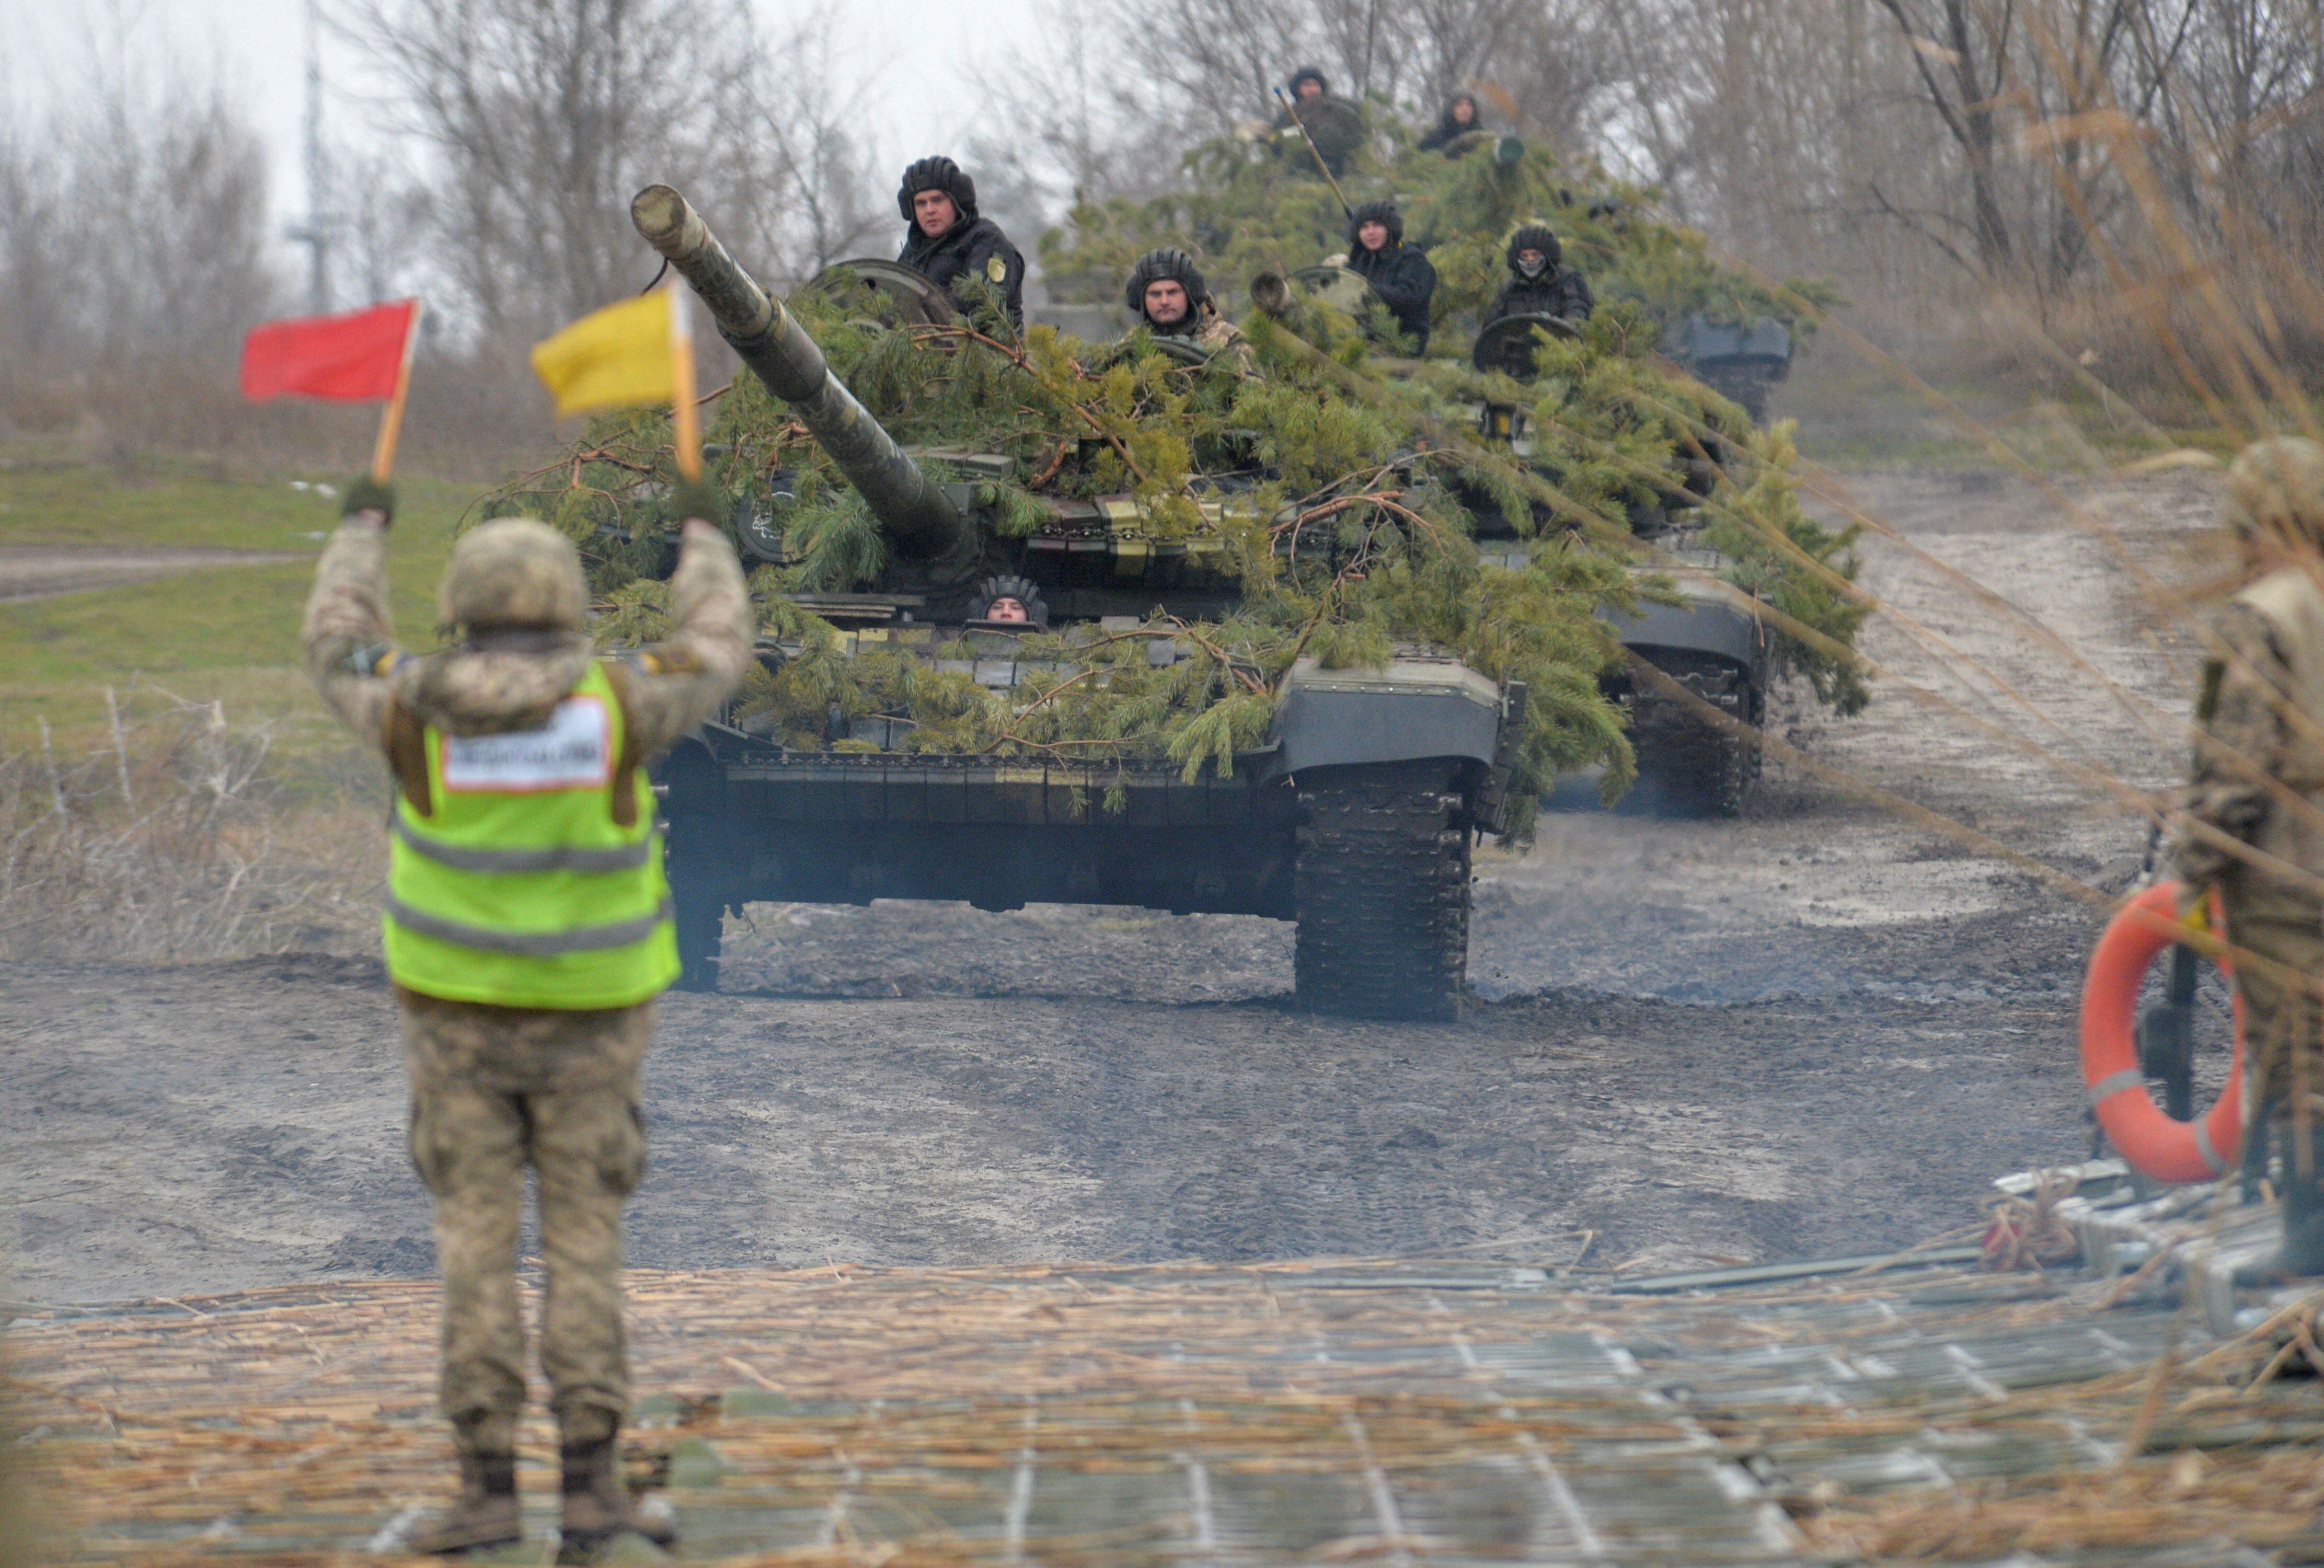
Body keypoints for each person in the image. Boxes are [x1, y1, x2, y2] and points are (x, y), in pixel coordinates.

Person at [301, 477, 752, 1557]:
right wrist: (701, 540)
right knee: (587, 1245)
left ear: (460, 602)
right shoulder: (619, 704)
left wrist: (362, 531)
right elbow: (720, 644)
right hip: (592, 1027)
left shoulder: (409, 705)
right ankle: (594, 1491)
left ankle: (487, 1489)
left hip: (456, 1030)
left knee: (474, 1250)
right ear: (567, 600)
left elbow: (334, 639)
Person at [2173, 436, 2324, 1277]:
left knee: (2299, 1055)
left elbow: (2234, 777)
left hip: (2288, 875)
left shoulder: (2258, 616)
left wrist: (2187, 872)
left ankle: (2309, 1243)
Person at [895, 155, 1025, 327]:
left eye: (937, 200)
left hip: (984, 350)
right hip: (924, 349)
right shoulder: (915, 251)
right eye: (921, 203)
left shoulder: (986, 242)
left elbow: (981, 305)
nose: (930, 210)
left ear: (957, 202)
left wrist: (921, 308)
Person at [1343, 199, 1436, 353]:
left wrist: (1367, 290)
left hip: (1401, 348)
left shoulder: (1413, 259)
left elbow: (1409, 297)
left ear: (1390, 228)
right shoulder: (1359, 260)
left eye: (1377, 225)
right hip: (1361, 345)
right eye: (1364, 227)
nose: (1371, 232)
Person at [1123, 247, 1247, 359]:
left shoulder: (1228, 342)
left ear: (1190, 295)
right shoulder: (1129, 347)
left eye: (1173, 292)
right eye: (1155, 294)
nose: (1164, 301)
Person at [1483, 224, 1594, 328]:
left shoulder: (1568, 280)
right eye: (1524, 256)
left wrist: (1561, 330)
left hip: (1561, 345)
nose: (1530, 260)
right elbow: (1493, 329)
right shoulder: (1509, 290)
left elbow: (1577, 312)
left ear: (1547, 254)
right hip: (1518, 347)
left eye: (1535, 255)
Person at [1416, 93, 1480, 154]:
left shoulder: (1481, 135)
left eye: (1469, 105)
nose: (1465, 109)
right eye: (1459, 105)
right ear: (1452, 109)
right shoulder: (1436, 136)